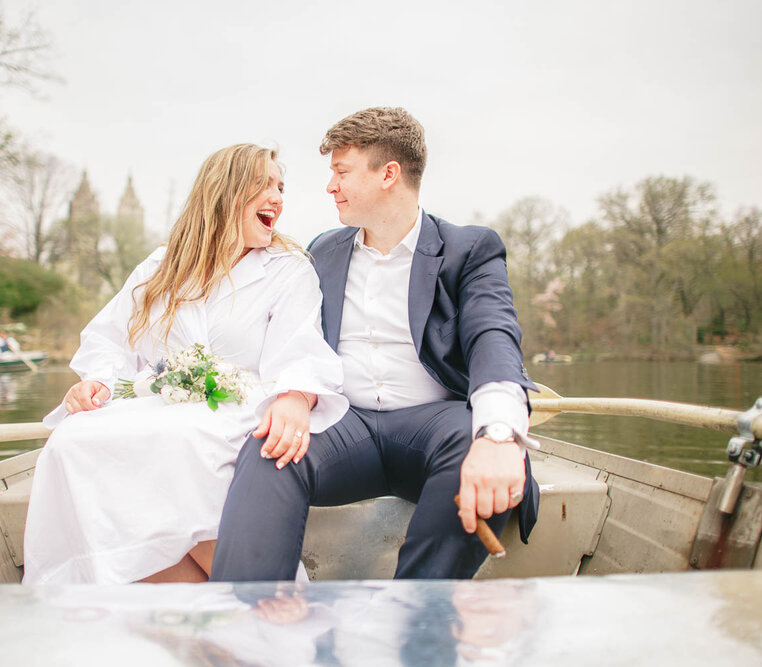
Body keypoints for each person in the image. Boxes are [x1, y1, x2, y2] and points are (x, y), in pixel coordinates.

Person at [212, 107, 540, 581]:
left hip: (434, 423)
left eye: (341, 172)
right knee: (270, 449)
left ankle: (415, 626)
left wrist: (498, 435)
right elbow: (278, 329)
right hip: (346, 424)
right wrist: (294, 397)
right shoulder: (320, 251)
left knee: (473, 441)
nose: (330, 186)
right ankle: (249, 623)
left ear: (389, 174)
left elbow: (494, 337)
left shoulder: (470, 249)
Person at [22, 144, 348, 585]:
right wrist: (95, 381)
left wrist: (295, 395)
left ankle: (254, 600)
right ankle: (153, 599)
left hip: (236, 409)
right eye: (263, 185)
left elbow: (300, 348)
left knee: (184, 443)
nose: (277, 198)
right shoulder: (160, 266)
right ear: (224, 192)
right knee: (69, 442)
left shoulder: (288, 270)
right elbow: (108, 338)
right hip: (161, 402)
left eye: (280, 187)